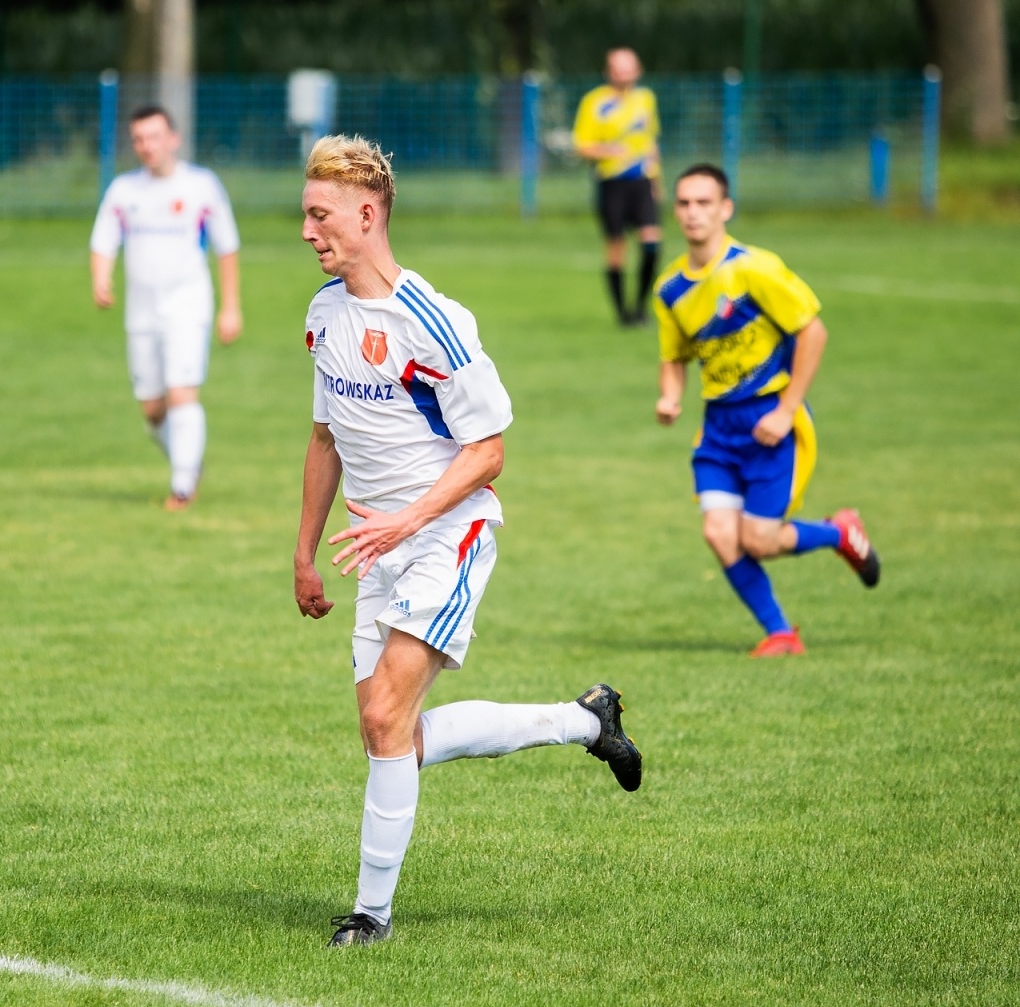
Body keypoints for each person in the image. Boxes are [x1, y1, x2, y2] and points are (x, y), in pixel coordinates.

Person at [294, 135, 643, 948]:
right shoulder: (324, 315)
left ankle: (371, 918)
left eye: (320, 215)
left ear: (367, 214)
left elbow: (489, 454)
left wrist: (406, 520)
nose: (308, 231)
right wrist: (305, 553)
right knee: (396, 740)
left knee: (385, 718)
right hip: (374, 547)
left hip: (448, 533)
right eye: (305, 215)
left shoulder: (435, 322)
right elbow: (324, 441)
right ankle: (587, 722)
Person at [654, 164, 880, 658]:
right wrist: (670, 396)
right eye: (684, 203)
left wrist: (787, 408)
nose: (693, 213)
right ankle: (781, 633)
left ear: (725, 209)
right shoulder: (670, 289)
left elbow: (812, 331)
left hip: (770, 422)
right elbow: (673, 358)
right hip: (718, 428)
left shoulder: (753, 268)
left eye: (704, 203)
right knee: (719, 533)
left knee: (759, 540)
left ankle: (840, 532)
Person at [90, 105, 242, 510]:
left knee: (181, 393)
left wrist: (231, 307)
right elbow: (103, 240)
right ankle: (188, 462)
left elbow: (227, 247)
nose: (147, 146)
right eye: (139, 139)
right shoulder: (124, 191)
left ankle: (181, 486)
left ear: (173, 139)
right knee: (153, 409)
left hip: (188, 304)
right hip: (141, 311)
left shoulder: (201, 186)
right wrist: (101, 279)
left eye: (154, 137)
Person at [571, 48, 662, 326]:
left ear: (638, 70)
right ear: (608, 72)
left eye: (629, 67)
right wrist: (609, 151)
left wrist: (657, 181)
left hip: (643, 181)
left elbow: (651, 142)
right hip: (612, 183)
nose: (624, 73)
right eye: (618, 68)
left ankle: (640, 307)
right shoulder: (594, 102)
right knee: (616, 247)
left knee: (651, 243)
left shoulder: (646, 99)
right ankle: (623, 313)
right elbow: (581, 146)